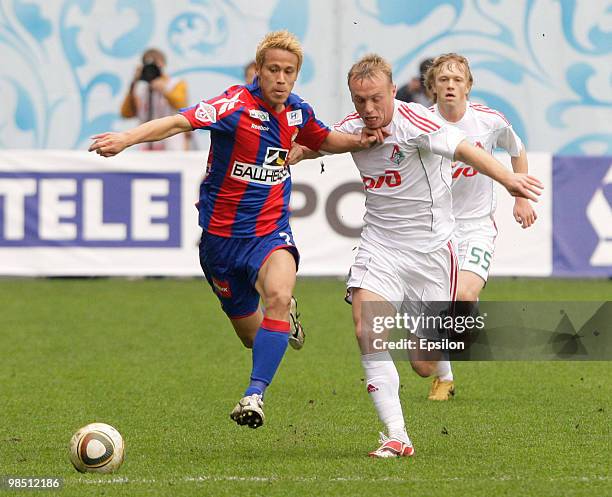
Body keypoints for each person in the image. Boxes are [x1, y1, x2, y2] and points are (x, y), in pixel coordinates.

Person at [89, 31, 384, 430]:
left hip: (269, 234)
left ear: (296, 76)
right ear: (258, 71)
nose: (281, 79)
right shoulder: (234, 106)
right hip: (220, 245)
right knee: (252, 337)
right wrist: (126, 138)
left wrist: (361, 141)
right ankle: (283, 322)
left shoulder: (297, 112)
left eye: (289, 72)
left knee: (278, 294)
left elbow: (324, 138)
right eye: (274, 70)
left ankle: (254, 395)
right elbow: (179, 121)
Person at [288, 54, 542, 457]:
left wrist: (509, 179)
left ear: (393, 91)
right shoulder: (354, 127)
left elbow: (463, 149)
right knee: (366, 330)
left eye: (375, 99)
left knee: (423, 363)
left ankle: (442, 359)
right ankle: (396, 435)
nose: (368, 110)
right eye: (359, 101)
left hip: (431, 253)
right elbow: (319, 142)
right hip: (380, 246)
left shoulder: (417, 122)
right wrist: (294, 152)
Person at [423, 53, 538, 401]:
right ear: (433, 87)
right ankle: (444, 377)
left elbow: (517, 149)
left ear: (468, 86)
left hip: (475, 225)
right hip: (434, 229)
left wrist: (520, 197)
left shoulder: (489, 122)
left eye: (458, 80)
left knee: (463, 296)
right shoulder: (420, 122)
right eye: (443, 80)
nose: (450, 85)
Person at [120, 48, 190, 150]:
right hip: (145, 137)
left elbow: (182, 106)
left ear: (163, 64)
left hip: (171, 138)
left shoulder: (175, 83)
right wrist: (133, 83)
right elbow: (126, 114)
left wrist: (164, 89)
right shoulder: (140, 88)